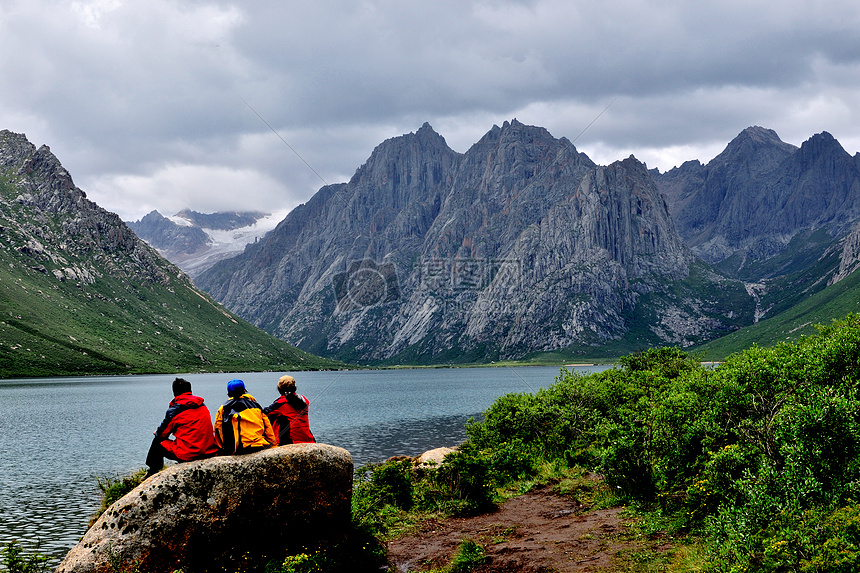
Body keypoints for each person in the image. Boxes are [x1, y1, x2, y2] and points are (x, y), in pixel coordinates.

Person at [145, 377, 217, 478]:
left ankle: (152, 471)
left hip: (191, 453)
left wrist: (157, 433)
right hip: (208, 450)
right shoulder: (202, 405)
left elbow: (162, 434)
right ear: (190, 391)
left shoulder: (175, 410)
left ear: (174, 393)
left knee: (157, 441)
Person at [214, 379, 277, 455]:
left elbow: (218, 429)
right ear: (244, 390)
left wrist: (221, 449)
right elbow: (267, 426)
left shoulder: (224, 408)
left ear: (228, 393)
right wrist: (273, 445)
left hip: (239, 448)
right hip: (258, 445)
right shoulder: (256, 405)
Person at [263, 375, 316, 445]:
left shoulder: (281, 403)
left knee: (270, 417)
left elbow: (265, 413)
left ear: (279, 389)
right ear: (294, 388)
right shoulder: (303, 399)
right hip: (308, 439)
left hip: (291, 441)